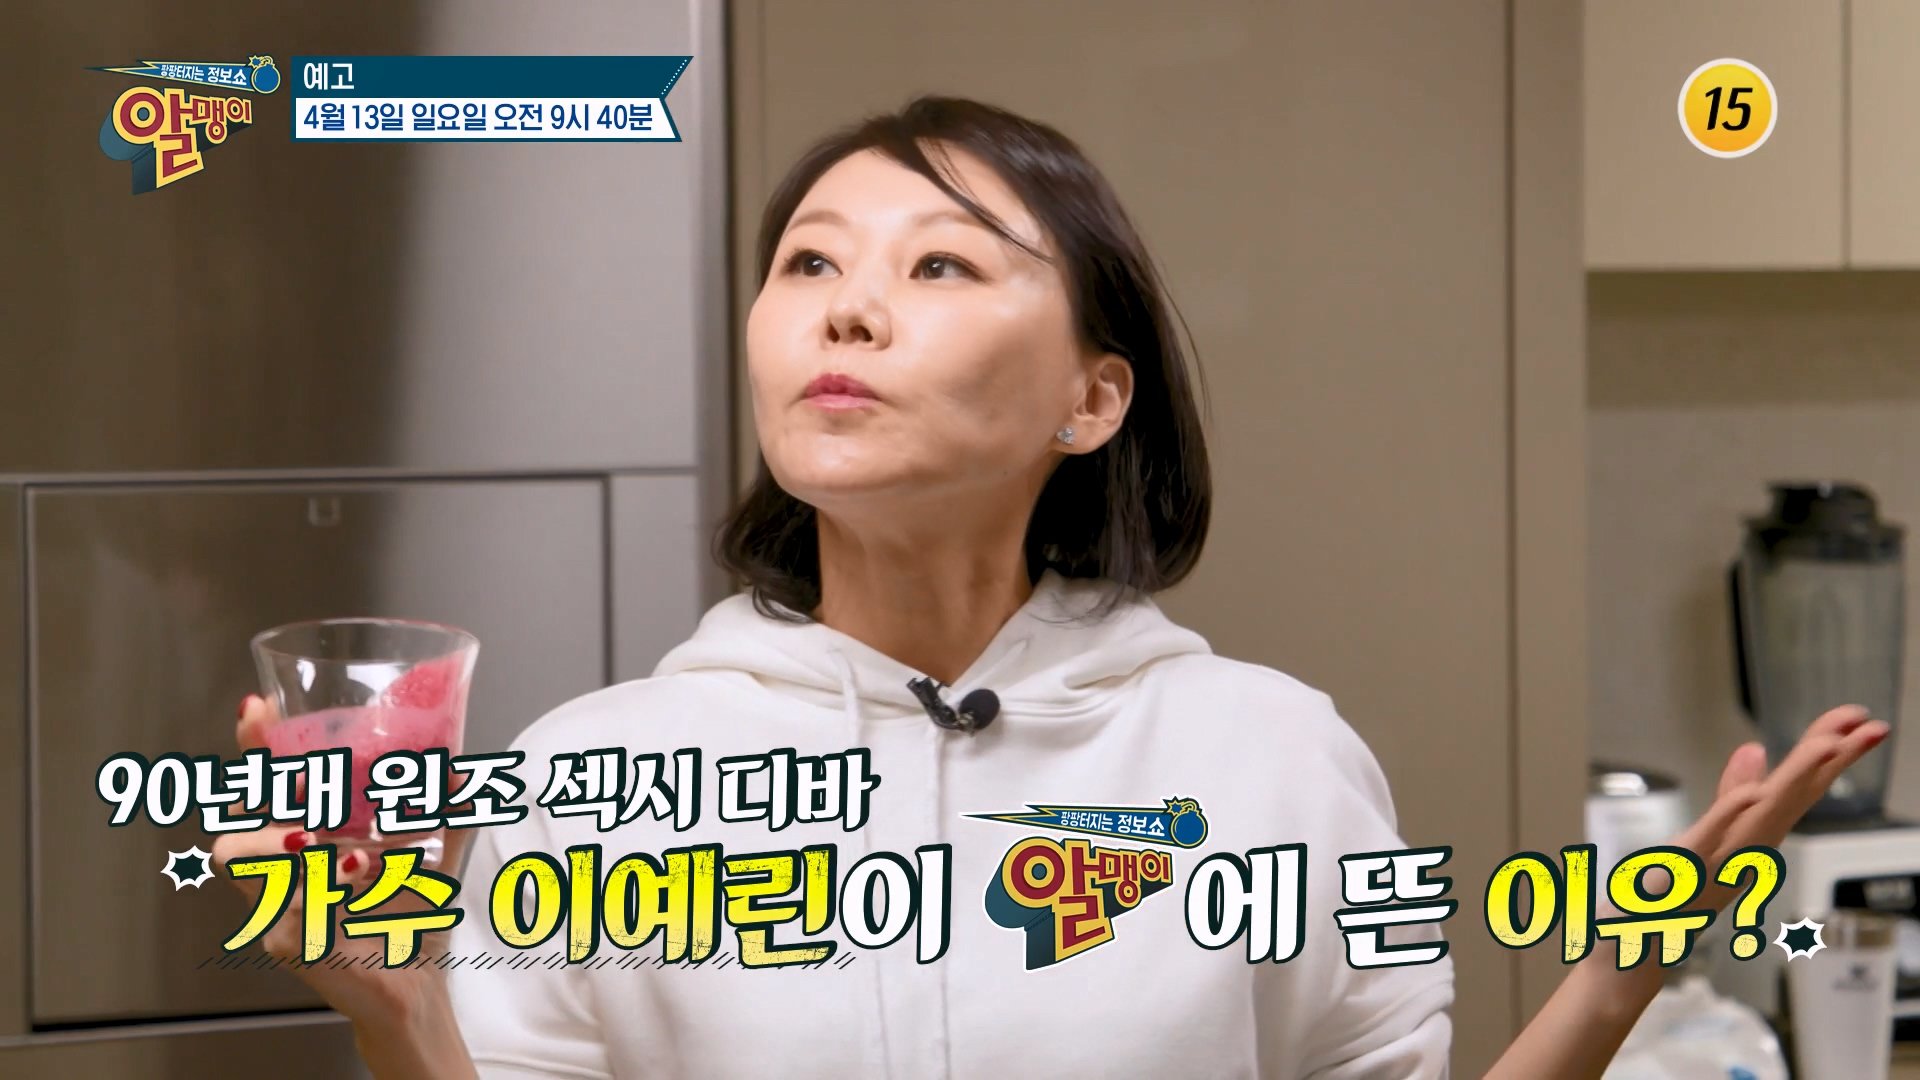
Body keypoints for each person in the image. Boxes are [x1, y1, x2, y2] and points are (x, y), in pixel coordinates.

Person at [214, 96, 1889, 1079]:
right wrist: (399, 1011)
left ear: (1094, 397)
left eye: (940, 263)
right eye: (810, 263)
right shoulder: (594, 778)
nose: (846, 309)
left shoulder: (1269, 759)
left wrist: (1617, 978)